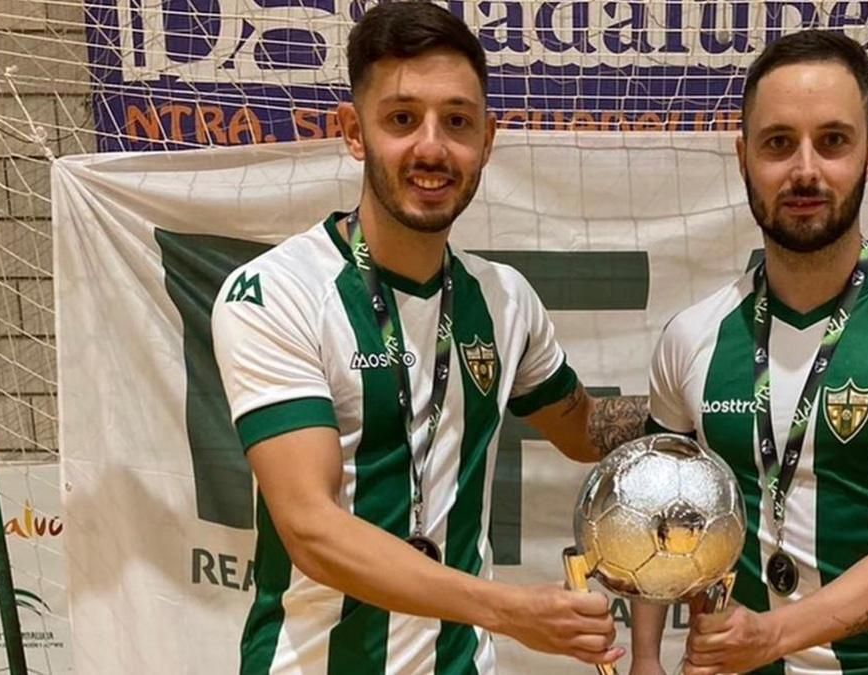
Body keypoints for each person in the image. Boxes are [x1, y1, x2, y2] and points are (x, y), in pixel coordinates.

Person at [211, 3, 647, 673]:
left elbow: (582, 429)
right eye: (402, 119)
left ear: (487, 139)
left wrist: (681, 404)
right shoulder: (276, 291)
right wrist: (508, 609)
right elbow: (311, 529)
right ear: (354, 132)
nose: (432, 148)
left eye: (457, 121)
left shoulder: (505, 300)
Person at [630, 30, 868, 675]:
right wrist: (644, 660)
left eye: (833, 141)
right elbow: (658, 512)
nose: (805, 170)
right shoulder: (691, 335)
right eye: (778, 143)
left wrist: (773, 636)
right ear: (744, 158)